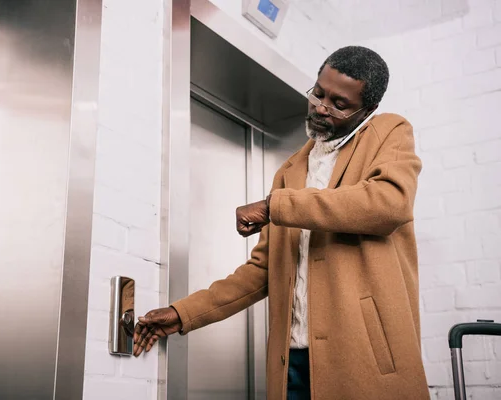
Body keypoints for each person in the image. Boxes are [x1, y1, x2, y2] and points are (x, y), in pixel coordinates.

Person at [133, 46, 429, 400]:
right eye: (318, 93)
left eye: (339, 103)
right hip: (293, 365)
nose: (321, 107)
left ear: (368, 111)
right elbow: (263, 269)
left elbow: (388, 204)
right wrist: (183, 314)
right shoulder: (289, 171)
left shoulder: (388, 131)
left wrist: (275, 206)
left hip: (363, 359)